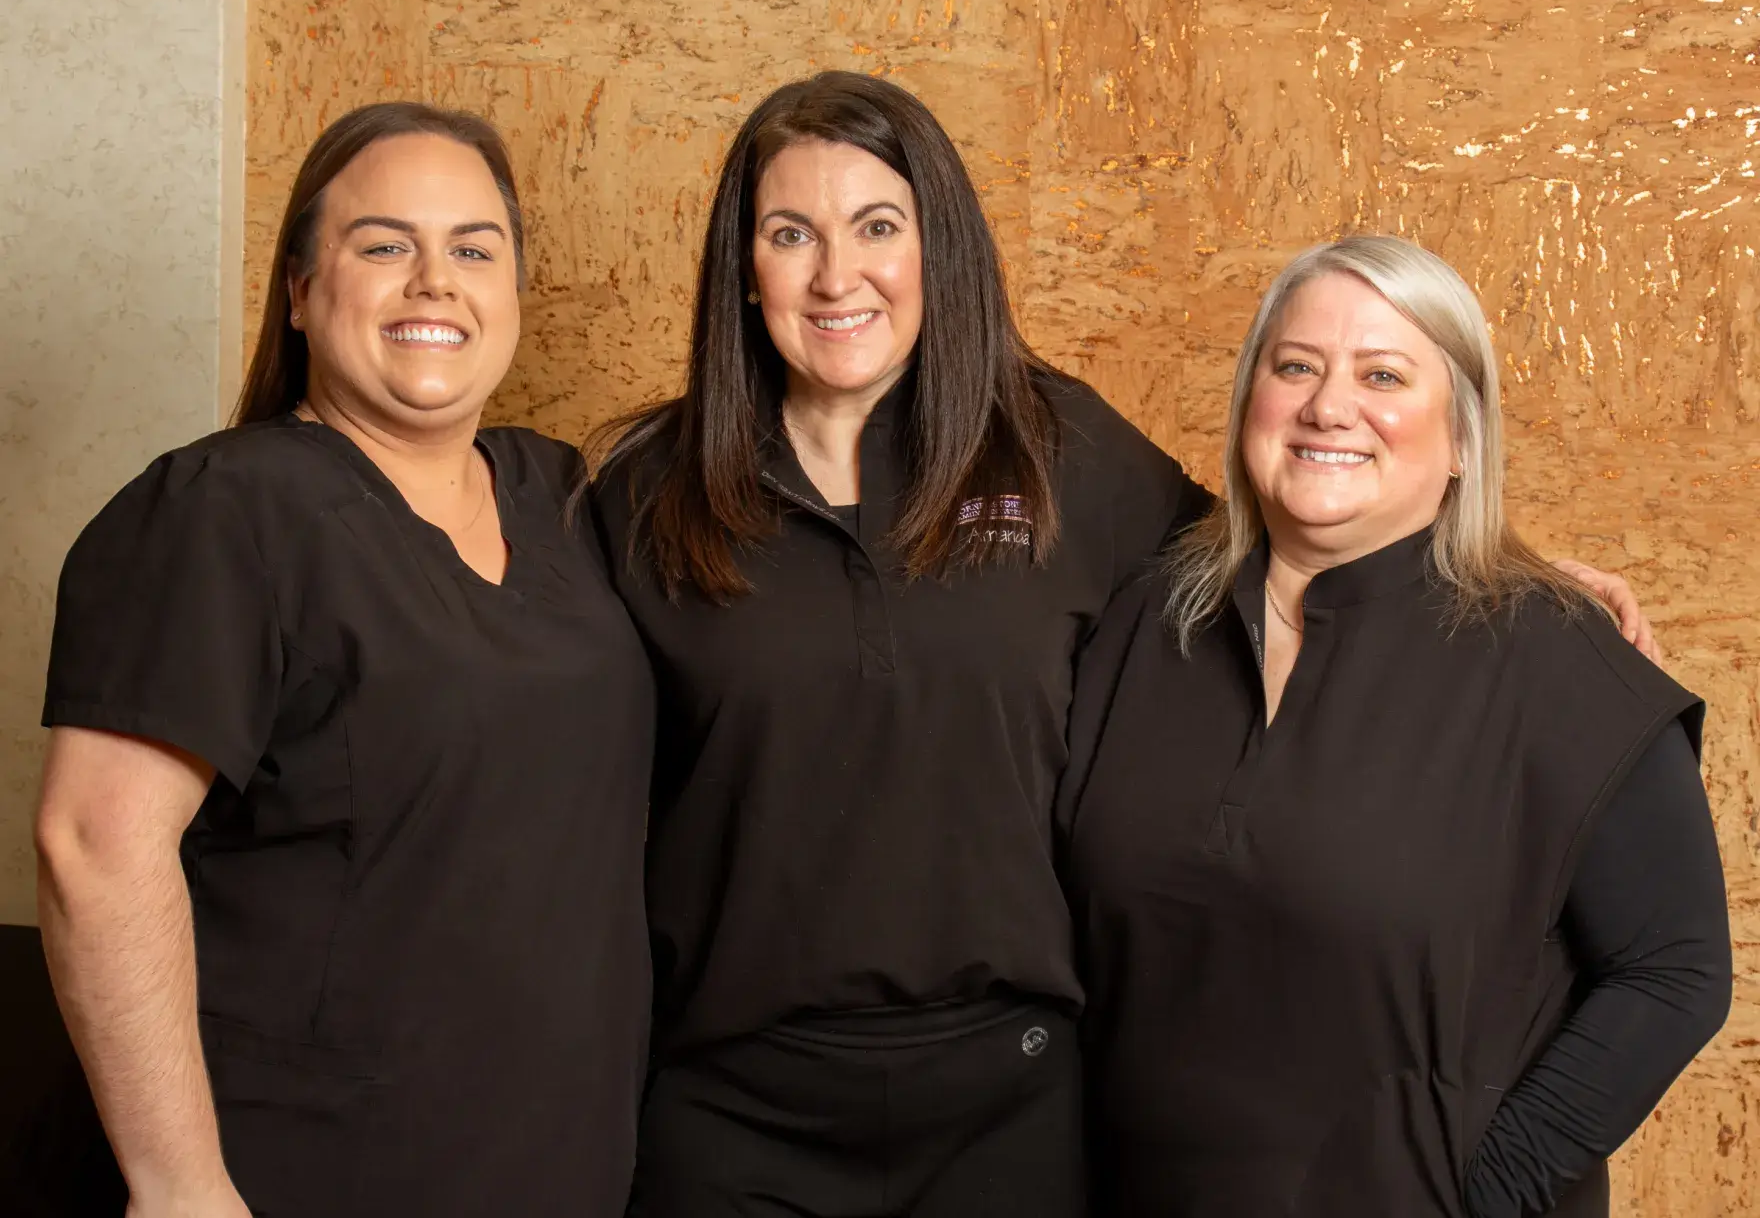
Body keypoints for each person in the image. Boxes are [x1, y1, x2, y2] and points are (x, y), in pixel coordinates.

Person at [591, 73, 1656, 1216]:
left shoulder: (1055, 453)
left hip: (1008, 1112)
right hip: (732, 1112)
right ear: (742, 273)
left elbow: (1287, 529)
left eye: (877, 227)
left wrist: (1503, 568)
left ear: (933, 250)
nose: (835, 274)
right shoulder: (650, 497)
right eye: (788, 233)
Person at [34, 103, 654, 1218]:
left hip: (554, 1161)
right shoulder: (224, 510)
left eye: (473, 249)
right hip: (304, 1167)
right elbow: (94, 844)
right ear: (299, 291)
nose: (435, 282)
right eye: (383, 246)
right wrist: (181, 1191)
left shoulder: (563, 500)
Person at [1058, 236, 1732, 1217]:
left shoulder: (1553, 657)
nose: (1328, 406)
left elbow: (1673, 971)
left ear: (1461, 438)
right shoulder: (1146, 623)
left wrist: (1482, 1193)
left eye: (1382, 374)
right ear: (1250, 400)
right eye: (1294, 367)